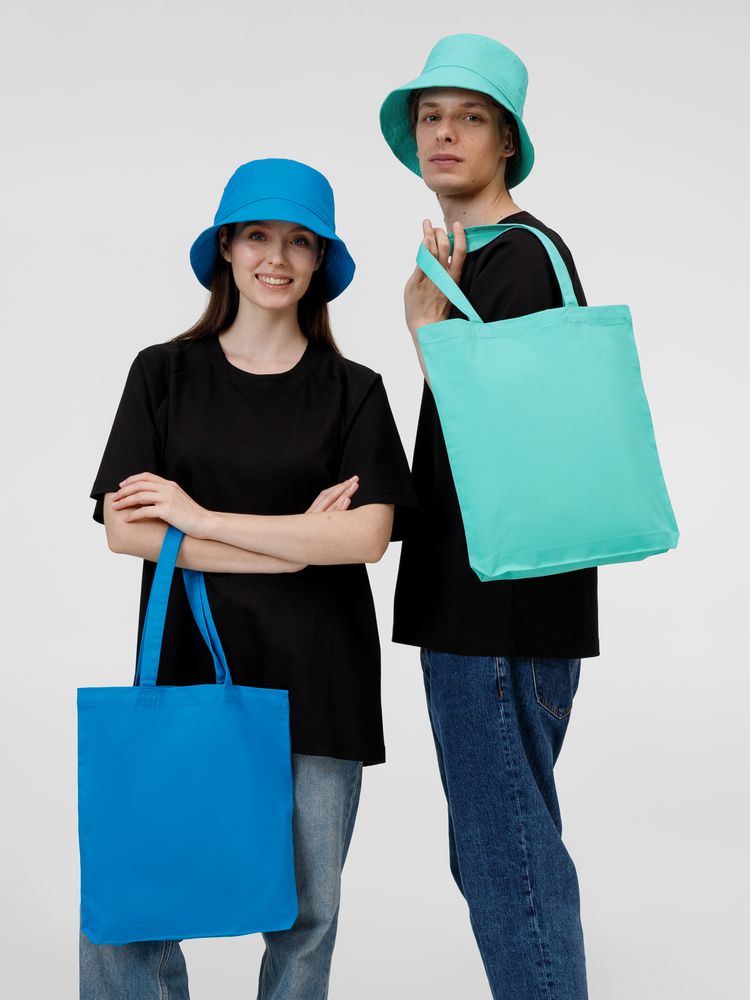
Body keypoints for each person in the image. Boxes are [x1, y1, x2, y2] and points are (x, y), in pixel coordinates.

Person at [80, 157, 417, 1000]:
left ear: (320, 261)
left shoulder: (354, 392)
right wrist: (297, 544)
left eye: (300, 241)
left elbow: (367, 537)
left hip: (321, 678)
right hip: (185, 668)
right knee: (136, 897)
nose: (277, 257)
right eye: (259, 235)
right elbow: (126, 530)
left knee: (307, 916)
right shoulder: (162, 373)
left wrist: (199, 517)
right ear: (226, 248)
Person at [380, 34, 597, 999]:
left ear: (507, 141)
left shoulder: (518, 261)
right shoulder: (476, 261)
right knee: (502, 852)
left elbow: (508, 437)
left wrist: (426, 337)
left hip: (494, 609)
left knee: (508, 864)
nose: (445, 133)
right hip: (495, 603)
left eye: (471, 117)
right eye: (431, 116)